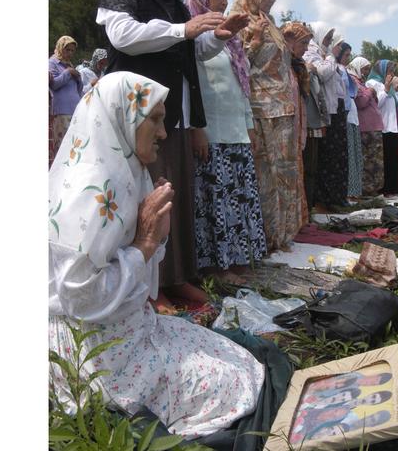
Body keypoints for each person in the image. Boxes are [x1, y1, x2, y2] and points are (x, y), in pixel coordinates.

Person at [48, 71, 264, 439]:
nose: (164, 133)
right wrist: (145, 244)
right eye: (156, 119)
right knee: (227, 384)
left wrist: (153, 237)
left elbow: (140, 266)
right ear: (122, 114)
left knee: (239, 361)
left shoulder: (126, 169)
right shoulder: (90, 191)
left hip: (127, 327)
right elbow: (82, 298)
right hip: (93, 350)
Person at [95, 0, 247, 311]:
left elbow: (189, 50)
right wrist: (184, 29)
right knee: (143, 198)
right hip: (137, 117)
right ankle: (148, 286)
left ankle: (175, 277)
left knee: (171, 194)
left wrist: (217, 37)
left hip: (170, 116)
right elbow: (124, 36)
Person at [185, 0, 266, 280]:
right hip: (212, 131)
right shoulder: (193, 34)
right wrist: (197, 127)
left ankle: (238, 257)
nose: (223, 2)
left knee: (239, 198)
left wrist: (249, 126)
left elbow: (240, 84)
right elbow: (190, 86)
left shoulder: (230, 39)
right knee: (217, 200)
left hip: (235, 131)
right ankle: (218, 266)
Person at [231, 0, 306, 252]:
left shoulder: (271, 23)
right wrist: (255, 42)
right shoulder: (240, 23)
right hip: (260, 109)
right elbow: (236, 68)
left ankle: (284, 234)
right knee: (266, 173)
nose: (273, 0)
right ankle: (265, 236)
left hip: (283, 108)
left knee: (286, 172)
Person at [283, 22, 327, 211]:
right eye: (303, 43)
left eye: (308, 44)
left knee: (308, 169)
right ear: (289, 41)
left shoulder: (298, 66)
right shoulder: (282, 64)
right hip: (285, 127)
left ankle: (304, 211)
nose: (306, 49)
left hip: (300, 123)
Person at [304, 24, 348, 210]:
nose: (329, 43)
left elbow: (336, 84)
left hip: (333, 109)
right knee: (325, 158)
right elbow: (322, 73)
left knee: (336, 156)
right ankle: (324, 200)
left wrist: (327, 60)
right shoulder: (312, 52)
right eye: (327, 39)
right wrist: (329, 57)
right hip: (320, 112)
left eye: (331, 40)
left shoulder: (324, 56)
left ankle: (335, 198)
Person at [366, 60, 398, 194]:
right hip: (383, 128)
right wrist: (386, 89)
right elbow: (376, 105)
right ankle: (385, 189)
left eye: (393, 72)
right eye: (390, 71)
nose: (392, 74)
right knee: (385, 161)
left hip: (393, 128)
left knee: (394, 160)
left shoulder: (387, 86)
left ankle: (394, 189)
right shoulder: (372, 84)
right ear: (382, 71)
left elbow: (397, 104)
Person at [348, 56, 384, 196]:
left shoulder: (362, 83)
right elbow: (361, 102)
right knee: (368, 160)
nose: (365, 72)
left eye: (367, 69)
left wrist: (371, 93)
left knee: (376, 161)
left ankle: (375, 188)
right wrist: (370, 92)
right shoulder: (354, 82)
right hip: (365, 126)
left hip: (373, 126)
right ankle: (367, 189)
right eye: (364, 69)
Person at [49, 35, 83, 165]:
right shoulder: (52, 63)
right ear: (60, 48)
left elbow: (78, 89)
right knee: (62, 145)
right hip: (62, 111)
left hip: (75, 110)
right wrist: (68, 73)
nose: (70, 53)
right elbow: (54, 85)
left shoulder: (69, 64)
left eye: (72, 50)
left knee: (73, 144)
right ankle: (59, 173)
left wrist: (78, 77)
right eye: (67, 49)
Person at [336, 42, 363, 200]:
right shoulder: (337, 68)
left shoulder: (344, 70)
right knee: (347, 154)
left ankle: (354, 191)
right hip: (344, 115)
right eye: (346, 55)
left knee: (353, 154)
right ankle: (348, 191)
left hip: (351, 115)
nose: (348, 58)